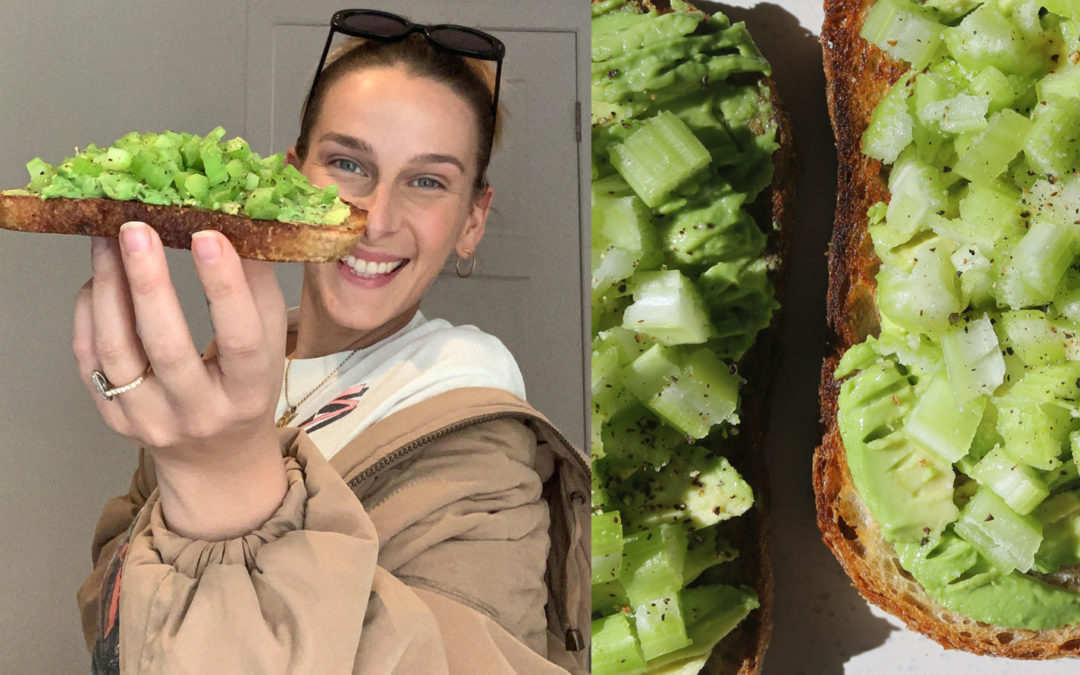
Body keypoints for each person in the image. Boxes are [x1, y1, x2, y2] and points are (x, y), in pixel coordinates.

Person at [72, 10, 589, 673]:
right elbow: (112, 615)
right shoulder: (222, 374)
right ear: (294, 180)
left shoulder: (483, 453)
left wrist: (229, 481)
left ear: (472, 220)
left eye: (428, 180)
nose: (376, 219)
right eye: (348, 163)